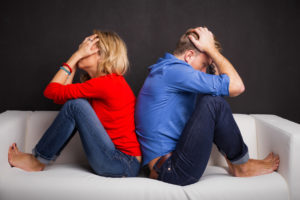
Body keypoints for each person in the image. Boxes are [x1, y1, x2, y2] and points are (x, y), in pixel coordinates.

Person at [135, 27, 279, 185]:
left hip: (165, 167)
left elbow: (210, 116)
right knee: (213, 103)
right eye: (204, 64)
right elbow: (237, 86)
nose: (205, 72)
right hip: (170, 171)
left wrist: (213, 63)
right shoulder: (175, 71)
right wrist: (211, 50)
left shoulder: (167, 69)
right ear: (189, 56)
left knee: (211, 100)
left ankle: (236, 163)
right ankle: (241, 165)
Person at [8, 30, 142, 177]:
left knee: (76, 105)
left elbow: (51, 91)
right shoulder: (98, 84)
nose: (81, 50)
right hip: (117, 160)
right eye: (81, 48)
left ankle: (36, 161)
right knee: (74, 104)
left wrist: (76, 57)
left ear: (102, 55)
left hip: (122, 163)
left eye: (87, 48)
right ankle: (38, 160)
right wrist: (75, 63)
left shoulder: (108, 83)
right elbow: (60, 97)